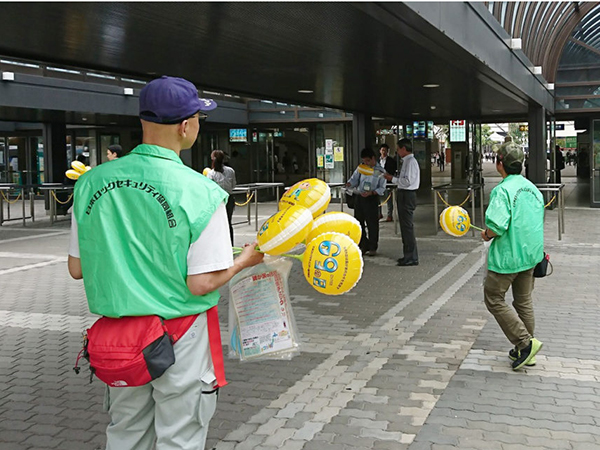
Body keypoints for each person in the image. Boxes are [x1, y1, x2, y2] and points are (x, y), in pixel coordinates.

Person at [67, 76, 264, 450]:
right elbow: (201, 284)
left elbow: (77, 268)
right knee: (179, 436)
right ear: (186, 126)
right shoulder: (202, 192)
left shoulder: (90, 184)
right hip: (181, 334)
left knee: (126, 433)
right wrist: (244, 261)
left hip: (119, 335)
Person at [481, 142, 544, 370]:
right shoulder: (532, 189)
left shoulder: (502, 190)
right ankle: (527, 351)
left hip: (508, 258)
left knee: (493, 298)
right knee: (523, 301)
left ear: (500, 164)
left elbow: (497, 226)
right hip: (530, 255)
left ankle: (525, 344)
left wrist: (486, 235)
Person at [383, 138, 420, 266]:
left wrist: (391, 179)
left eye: (398, 149)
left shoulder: (410, 162)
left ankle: (411, 256)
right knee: (405, 227)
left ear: (404, 149)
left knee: (407, 226)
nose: (397, 152)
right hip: (404, 194)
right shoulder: (407, 161)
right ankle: (408, 254)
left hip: (407, 194)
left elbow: (407, 181)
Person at [346, 147, 386, 256]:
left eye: (368, 161)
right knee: (359, 223)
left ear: (373, 158)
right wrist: (349, 184)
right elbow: (354, 179)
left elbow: (382, 188)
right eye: (364, 161)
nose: (366, 163)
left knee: (372, 223)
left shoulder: (379, 171)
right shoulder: (361, 168)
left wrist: (372, 193)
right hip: (360, 197)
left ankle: (373, 246)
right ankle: (363, 244)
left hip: (371, 198)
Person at [207, 149, 237, 244]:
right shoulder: (230, 171)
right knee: (228, 222)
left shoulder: (211, 173)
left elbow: (209, 189)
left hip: (217, 201)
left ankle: (219, 244)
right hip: (229, 198)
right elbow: (233, 185)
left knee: (217, 223)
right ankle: (230, 244)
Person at [378, 144, 397, 222]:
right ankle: (379, 213)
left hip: (388, 182)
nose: (383, 152)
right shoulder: (377, 161)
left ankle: (389, 215)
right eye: (382, 150)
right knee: (377, 199)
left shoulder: (391, 161)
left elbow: (392, 171)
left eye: (385, 150)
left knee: (389, 199)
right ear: (380, 151)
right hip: (378, 183)